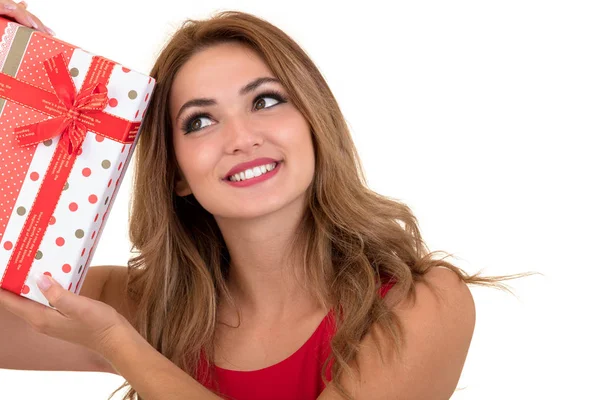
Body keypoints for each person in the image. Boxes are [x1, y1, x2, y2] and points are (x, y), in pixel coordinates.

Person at [0, 3, 529, 399]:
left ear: (315, 126)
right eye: (200, 121)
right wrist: (15, 91)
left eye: (266, 100)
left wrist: (120, 346)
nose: (241, 137)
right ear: (177, 174)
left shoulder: (421, 304)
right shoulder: (146, 306)